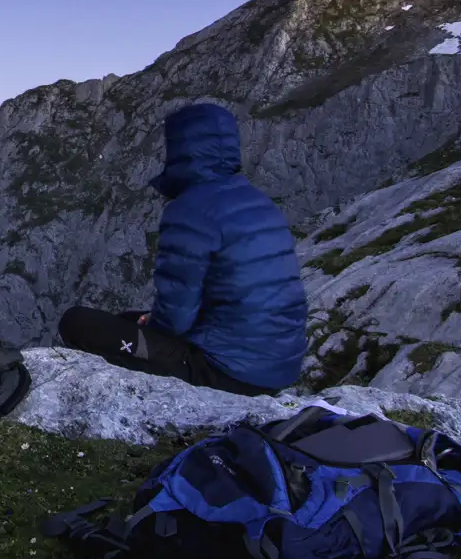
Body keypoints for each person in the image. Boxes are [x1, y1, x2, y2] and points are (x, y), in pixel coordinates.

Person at [59, 102, 306, 395]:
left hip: (225, 372)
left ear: (180, 147)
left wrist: (152, 323)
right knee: (126, 320)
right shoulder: (260, 202)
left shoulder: (191, 208)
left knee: (77, 322)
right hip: (276, 366)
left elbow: (176, 315)